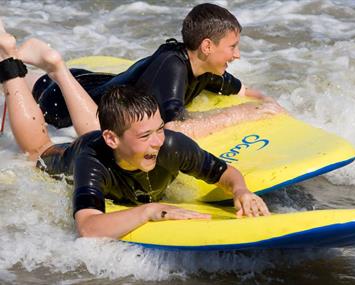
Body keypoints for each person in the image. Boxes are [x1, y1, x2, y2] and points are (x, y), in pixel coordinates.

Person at [0, 31, 270, 239]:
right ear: (112, 140)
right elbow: (89, 227)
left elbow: (225, 172)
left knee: (104, 129)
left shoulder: (170, 145)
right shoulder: (91, 162)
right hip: (75, 153)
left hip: (110, 137)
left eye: (160, 130)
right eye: (146, 137)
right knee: (38, 152)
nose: (157, 142)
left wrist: (241, 190)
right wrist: (150, 211)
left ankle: (57, 67)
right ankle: (8, 61)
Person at [28, 3, 285, 138]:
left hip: (90, 80)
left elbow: (241, 89)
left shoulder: (205, 67)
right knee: (31, 84)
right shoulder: (173, 68)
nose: (237, 55)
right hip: (66, 107)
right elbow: (175, 128)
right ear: (207, 46)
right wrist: (242, 115)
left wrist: (266, 101)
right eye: (233, 47)